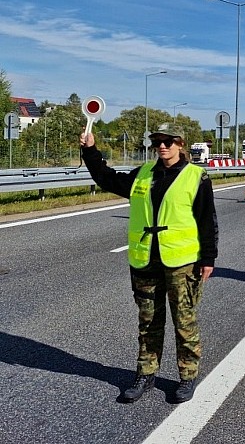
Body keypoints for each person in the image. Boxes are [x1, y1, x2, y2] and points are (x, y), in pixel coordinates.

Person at [79, 125, 218, 404]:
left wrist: (208, 258)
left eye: (168, 142)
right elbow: (107, 179)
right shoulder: (143, 174)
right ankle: (146, 374)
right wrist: (90, 150)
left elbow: (207, 220)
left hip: (182, 262)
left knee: (184, 322)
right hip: (145, 259)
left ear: (180, 144)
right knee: (148, 321)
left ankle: (187, 377)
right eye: (158, 142)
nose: (162, 146)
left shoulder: (195, 176)